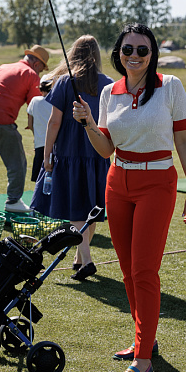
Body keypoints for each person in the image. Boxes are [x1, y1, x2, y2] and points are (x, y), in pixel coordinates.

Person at [72, 23, 186, 372]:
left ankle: (143, 359)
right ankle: (145, 339)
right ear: (118, 53)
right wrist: (88, 125)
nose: (134, 56)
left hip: (157, 183)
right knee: (127, 270)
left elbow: (185, 140)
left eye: (142, 50)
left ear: (152, 53)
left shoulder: (170, 86)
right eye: (128, 50)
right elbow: (106, 149)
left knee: (144, 270)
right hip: (118, 181)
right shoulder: (110, 92)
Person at [30, 35, 113, 280]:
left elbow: (54, 122)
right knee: (91, 206)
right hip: (97, 154)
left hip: (69, 154)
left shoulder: (65, 82)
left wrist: (46, 155)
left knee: (77, 207)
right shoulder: (107, 83)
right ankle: (79, 257)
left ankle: (86, 258)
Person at [0, 45, 49, 213]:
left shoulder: (3, 66)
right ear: (36, 64)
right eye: (41, 69)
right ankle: (13, 201)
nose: (40, 74)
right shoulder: (31, 74)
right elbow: (34, 106)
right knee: (17, 161)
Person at [26, 75, 53, 182]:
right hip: (55, 145)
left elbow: (30, 123)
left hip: (40, 144)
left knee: (39, 178)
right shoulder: (57, 102)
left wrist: (36, 137)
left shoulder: (35, 101)